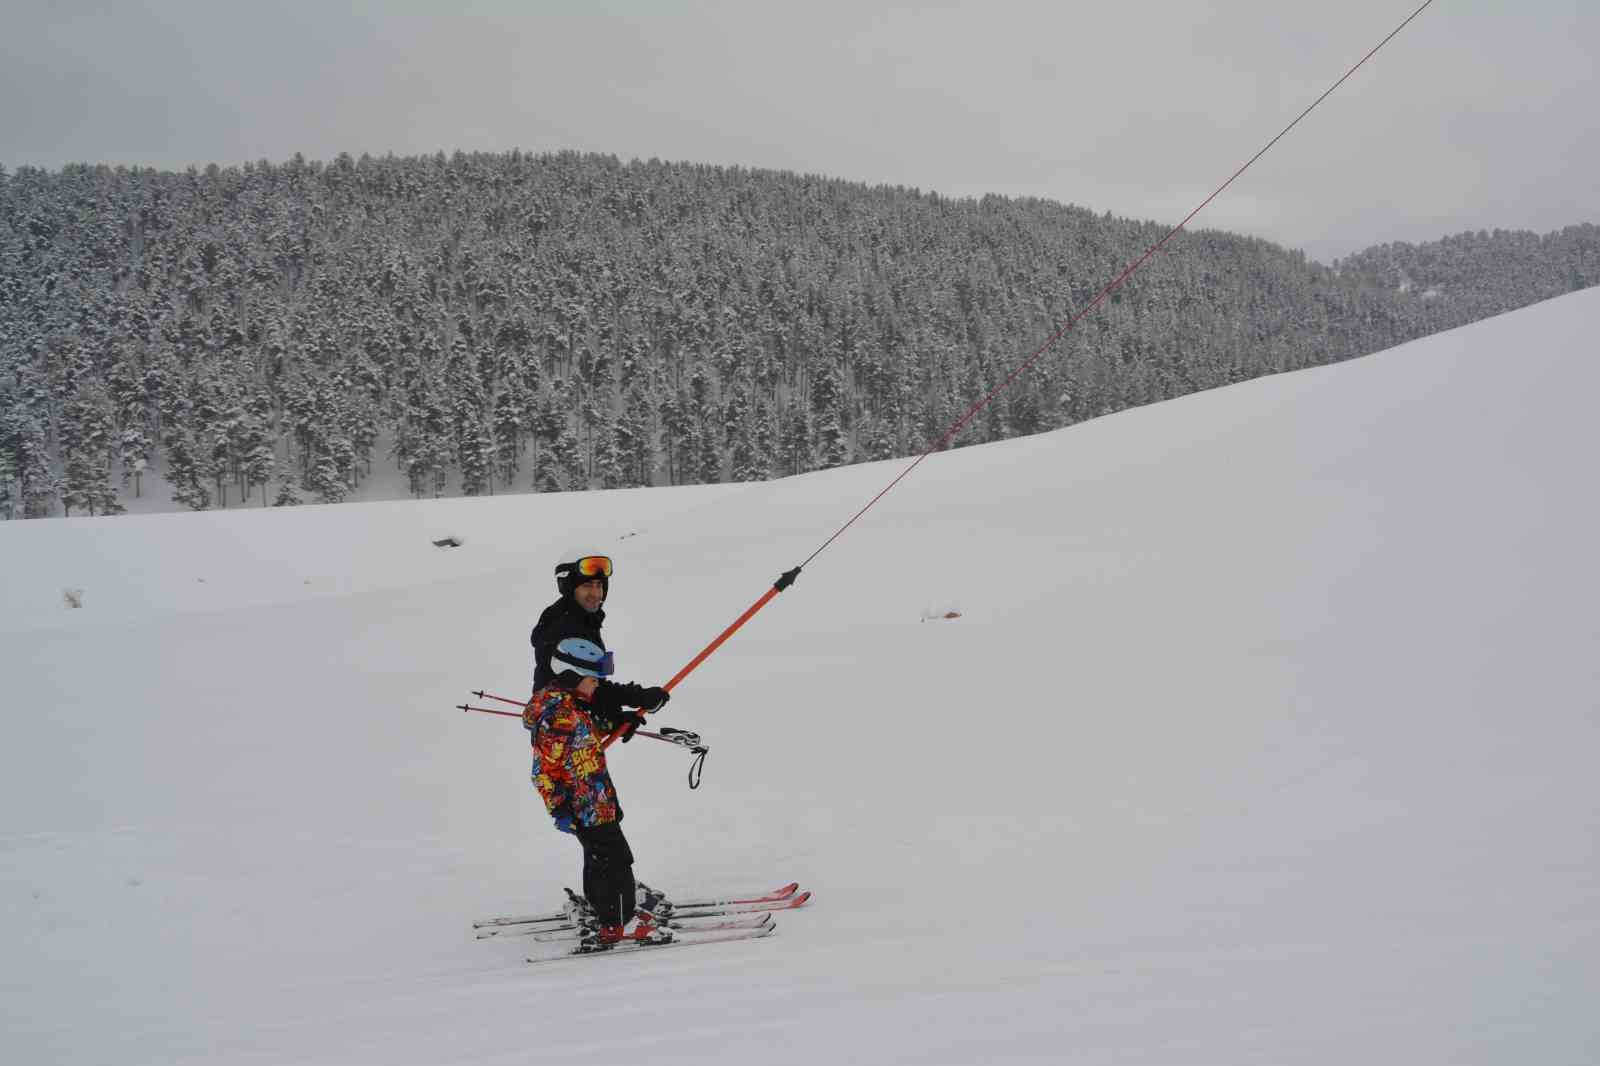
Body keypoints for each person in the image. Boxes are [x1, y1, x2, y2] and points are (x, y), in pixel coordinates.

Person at [525, 554, 670, 947]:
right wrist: (637, 697)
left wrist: (616, 717)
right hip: (572, 746)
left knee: (596, 833)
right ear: (570, 588)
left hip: (572, 732)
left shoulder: (570, 623)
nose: (595, 592)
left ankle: (605, 902)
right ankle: (618, 919)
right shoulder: (569, 628)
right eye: (587, 586)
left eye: (600, 586)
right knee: (606, 836)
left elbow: (582, 691)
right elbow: (585, 688)